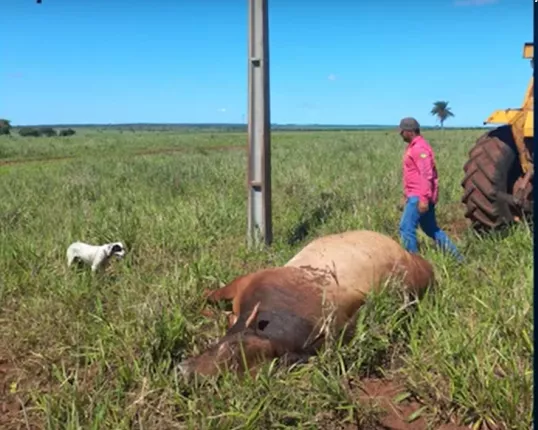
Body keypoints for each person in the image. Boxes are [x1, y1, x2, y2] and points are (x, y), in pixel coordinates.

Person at [397, 117, 464, 262]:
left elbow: (426, 175)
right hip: (416, 195)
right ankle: (458, 259)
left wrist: (423, 199)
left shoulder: (420, 149)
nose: (400, 134)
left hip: (419, 196)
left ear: (409, 132)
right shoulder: (413, 146)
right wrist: (406, 195)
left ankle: (414, 265)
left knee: (406, 228)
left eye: (402, 131)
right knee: (430, 228)